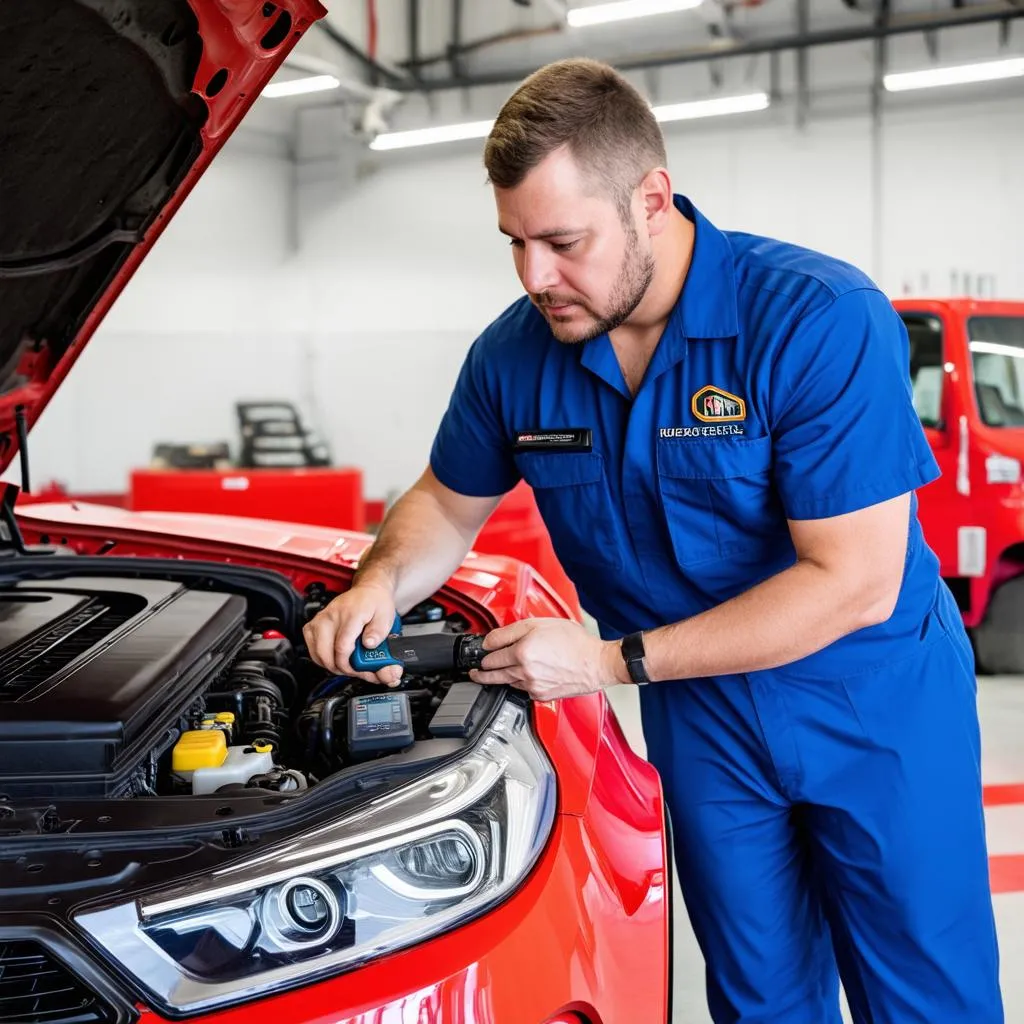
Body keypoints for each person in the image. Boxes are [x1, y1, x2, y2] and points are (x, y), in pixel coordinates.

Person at [304, 58, 1002, 1023]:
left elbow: (855, 582)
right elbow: (444, 502)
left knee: (924, 993)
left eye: (562, 241)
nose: (535, 276)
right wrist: (380, 582)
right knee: (759, 995)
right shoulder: (513, 355)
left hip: (870, 699)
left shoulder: (812, 318)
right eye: (513, 243)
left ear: (652, 199)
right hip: (701, 710)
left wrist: (604, 662)